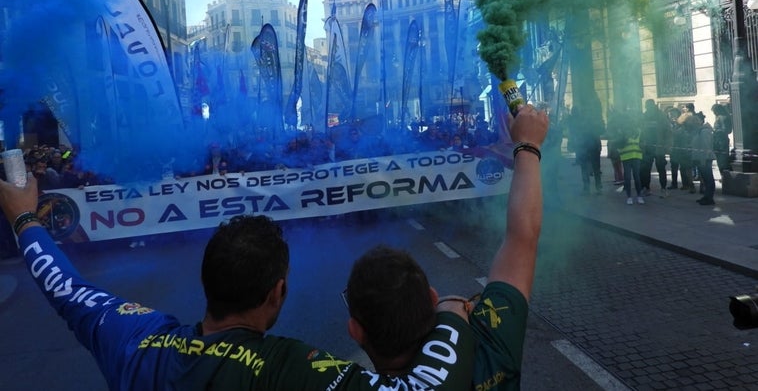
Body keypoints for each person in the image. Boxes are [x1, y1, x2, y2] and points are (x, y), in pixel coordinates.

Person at [0, 176, 476, 390]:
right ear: (277, 293)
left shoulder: (136, 341)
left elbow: (65, 288)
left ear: (208, 281)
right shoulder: (290, 369)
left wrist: (23, 216)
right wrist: (451, 317)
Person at [344, 102, 548, 390]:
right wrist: (527, 145)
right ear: (431, 299)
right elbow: (523, 235)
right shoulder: (490, 350)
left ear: (355, 331)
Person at [639, 99, 671, 197]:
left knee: (661, 168)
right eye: (647, 106)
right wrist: (641, 143)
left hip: (659, 147)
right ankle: (646, 188)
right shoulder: (643, 117)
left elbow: (668, 131)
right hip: (647, 147)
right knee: (645, 169)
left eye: (649, 106)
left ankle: (663, 188)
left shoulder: (661, 116)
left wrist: (667, 145)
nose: (648, 108)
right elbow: (640, 131)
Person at [618, 111, 645, 205]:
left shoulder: (639, 131)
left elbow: (642, 142)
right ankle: (629, 197)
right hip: (626, 157)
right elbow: (618, 144)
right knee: (628, 177)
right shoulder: (622, 132)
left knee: (637, 177)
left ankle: (639, 196)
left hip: (636, 156)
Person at [690, 111, 716, 206]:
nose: (693, 123)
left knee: (708, 179)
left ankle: (709, 198)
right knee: (705, 179)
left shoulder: (704, 131)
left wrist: (703, 160)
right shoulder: (699, 131)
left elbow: (706, 147)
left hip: (705, 158)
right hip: (700, 158)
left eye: (695, 121)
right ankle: (706, 196)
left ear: (700, 121)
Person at [711, 103, 732, 174]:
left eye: (714, 111)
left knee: (722, 161)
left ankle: (725, 176)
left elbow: (725, 130)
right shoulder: (723, 117)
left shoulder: (722, 117)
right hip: (721, 140)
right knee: (722, 159)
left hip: (720, 141)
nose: (714, 113)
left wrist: (715, 130)